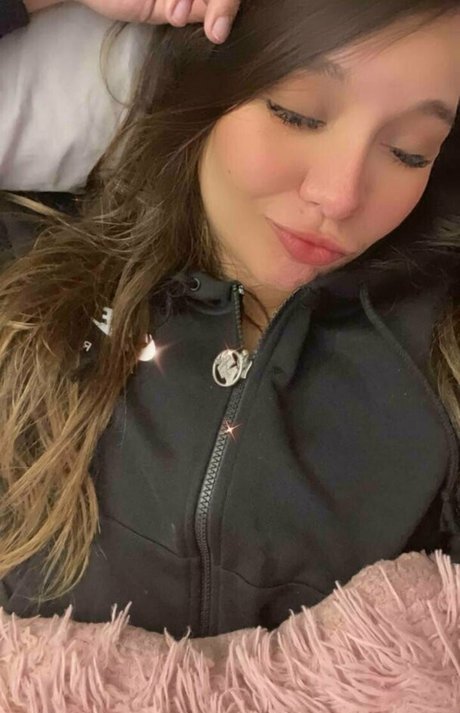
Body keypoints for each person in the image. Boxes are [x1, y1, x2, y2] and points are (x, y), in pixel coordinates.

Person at [0, 0, 459, 643]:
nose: (339, 195)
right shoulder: (25, 270)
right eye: (297, 113)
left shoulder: (442, 342)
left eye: (410, 152)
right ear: (205, 82)